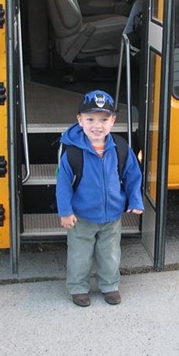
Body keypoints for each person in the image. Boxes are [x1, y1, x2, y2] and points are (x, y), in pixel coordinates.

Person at [56, 90, 144, 307]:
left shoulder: (121, 148)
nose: (97, 125)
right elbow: (63, 184)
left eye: (104, 119)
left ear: (113, 121)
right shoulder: (72, 152)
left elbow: (133, 175)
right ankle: (78, 287)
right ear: (80, 120)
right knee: (79, 254)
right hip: (81, 216)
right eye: (90, 119)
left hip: (111, 215)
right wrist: (65, 212)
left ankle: (110, 285)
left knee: (110, 253)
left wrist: (135, 200)